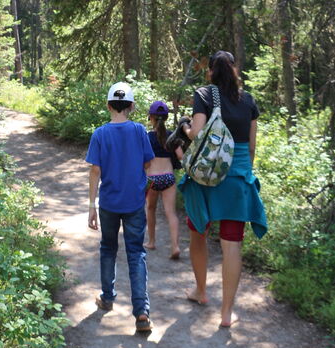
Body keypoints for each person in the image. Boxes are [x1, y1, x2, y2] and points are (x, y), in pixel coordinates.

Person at [172, 51, 267, 328]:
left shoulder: (204, 94)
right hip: (237, 177)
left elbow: (198, 134)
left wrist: (185, 127)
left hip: (206, 178)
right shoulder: (248, 101)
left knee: (198, 232)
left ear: (211, 70)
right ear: (235, 70)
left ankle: (201, 291)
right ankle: (226, 313)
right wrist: (242, 174)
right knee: (232, 243)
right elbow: (250, 147)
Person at [86, 81, 155, 333]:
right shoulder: (139, 131)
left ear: (108, 105)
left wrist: (91, 206)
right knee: (136, 253)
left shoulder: (100, 134)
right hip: (135, 202)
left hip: (109, 203)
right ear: (132, 106)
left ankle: (107, 297)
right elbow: (148, 164)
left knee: (108, 248)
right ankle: (142, 312)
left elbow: (95, 171)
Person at [145, 100, 181, 259]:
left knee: (150, 209)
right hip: (168, 178)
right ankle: (175, 246)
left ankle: (151, 242)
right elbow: (181, 156)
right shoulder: (173, 137)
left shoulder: (147, 137)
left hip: (151, 178)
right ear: (166, 118)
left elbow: (143, 160)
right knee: (171, 213)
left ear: (150, 117)